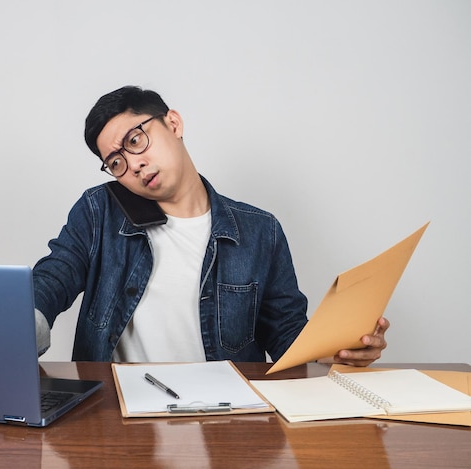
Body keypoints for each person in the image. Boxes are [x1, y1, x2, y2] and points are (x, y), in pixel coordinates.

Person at [32, 85, 389, 365]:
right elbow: (54, 277)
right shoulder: (99, 211)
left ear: (173, 123)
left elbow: (286, 334)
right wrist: (21, 320)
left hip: (226, 422)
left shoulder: (259, 231)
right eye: (117, 162)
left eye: (135, 141)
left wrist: (337, 349)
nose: (134, 164)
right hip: (117, 417)